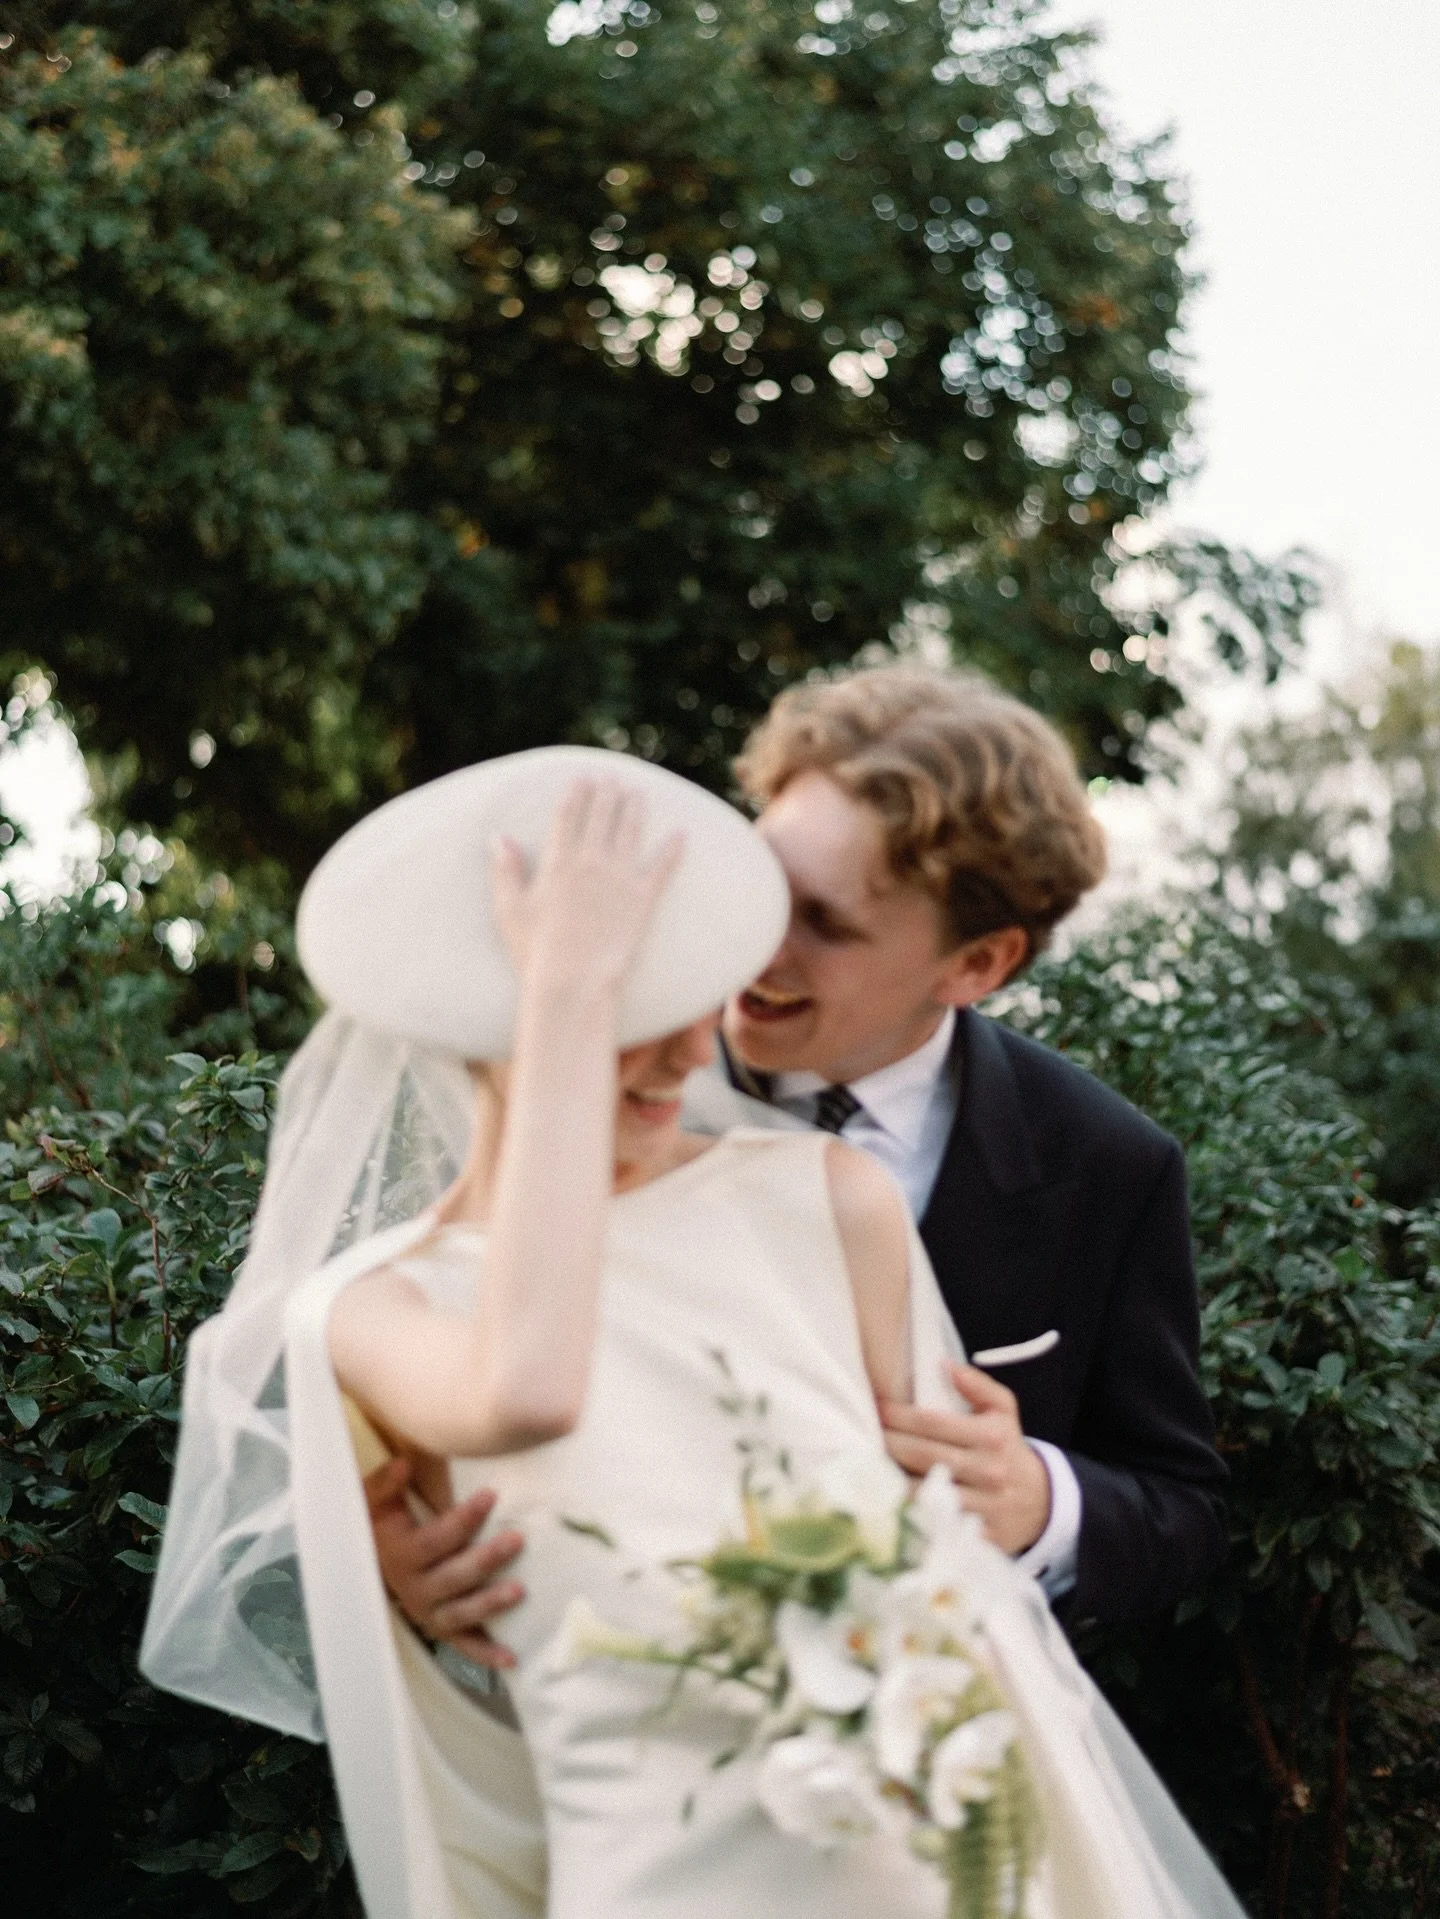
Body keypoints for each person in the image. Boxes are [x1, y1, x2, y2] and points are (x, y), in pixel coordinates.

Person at [141, 745, 1245, 1919]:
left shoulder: (829, 1195)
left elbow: (949, 1567)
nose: (691, 1043)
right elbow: (527, 1390)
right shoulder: (372, 1304)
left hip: (931, 1840)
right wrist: (570, 989)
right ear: (497, 1011)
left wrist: (1015, 1498)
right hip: (651, 1865)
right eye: (633, 1005)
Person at [373, 667, 1226, 1674]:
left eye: (824, 921)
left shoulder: (1103, 1163)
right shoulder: (583, 1077)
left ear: (978, 964)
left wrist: (1043, 1498)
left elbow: (1186, 1509)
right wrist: (399, 1547)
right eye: (757, 879)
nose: (756, 943)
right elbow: (424, 1331)